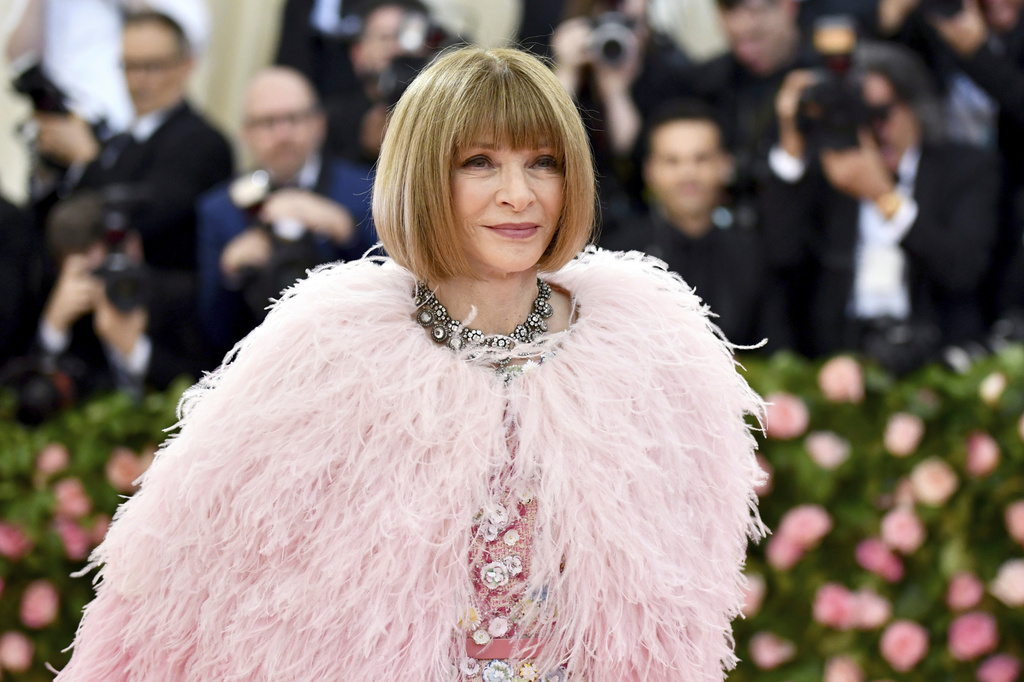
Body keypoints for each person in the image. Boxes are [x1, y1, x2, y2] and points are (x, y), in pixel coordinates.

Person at [55, 46, 764, 681]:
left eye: (543, 162)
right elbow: (185, 566)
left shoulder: (646, 352)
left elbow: (678, 596)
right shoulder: (328, 350)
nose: (519, 194)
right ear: (425, 176)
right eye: (480, 162)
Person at [761, 40, 998, 370]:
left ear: (915, 107)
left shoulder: (966, 168)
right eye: (859, 117)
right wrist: (792, 139)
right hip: (841, 357)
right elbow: (781, 253)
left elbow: (964, 271)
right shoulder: (832, 173)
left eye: (880, 115)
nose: (873, 132)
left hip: (935, 356)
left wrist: (883, 196)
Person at [31, 10, 233, 273]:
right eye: (129, 66)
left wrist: (85, 158)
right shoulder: (118, 139)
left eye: (152, 66)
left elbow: (142, 219)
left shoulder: (203, 142)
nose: (138, 80)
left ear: (186, 64)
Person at [197, 66, 376, 359]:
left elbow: (400, 295)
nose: (283, 134)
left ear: (319, 124)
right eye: (268, 122)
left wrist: (347, 234)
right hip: (260, 363)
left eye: (294, 119)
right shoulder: (220, 209)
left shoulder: (367, 190)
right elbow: (213, 336)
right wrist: (229, 274)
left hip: (353, 356)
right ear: (246, 133)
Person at [602, 100, 782, 348]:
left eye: (701, 159)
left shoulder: (753, 253)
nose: (688, 174)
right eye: (672, 161)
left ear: (725, 165)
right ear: (650, 171)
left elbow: (776, 349)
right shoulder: (618, 258)